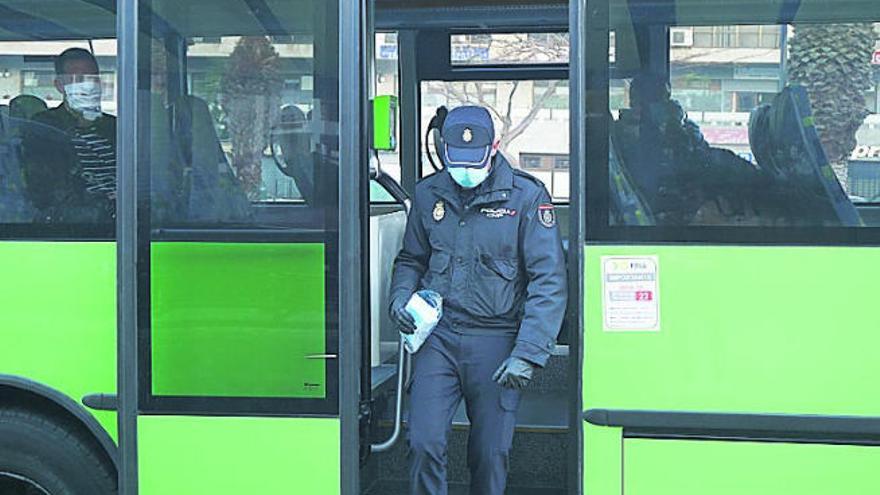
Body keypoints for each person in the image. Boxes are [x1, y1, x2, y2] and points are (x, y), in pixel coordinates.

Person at [389, 105, 567, 495]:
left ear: (495, 146)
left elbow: (548, 280)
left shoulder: (526, 197)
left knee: (489, 454)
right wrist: (401, 299)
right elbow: (411, 259)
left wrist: (529, 352)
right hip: (439, 337)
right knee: (423, 442)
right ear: (444, 149)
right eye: (457, 159)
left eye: (475, 159)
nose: (465, 169)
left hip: (498, 341)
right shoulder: (428, 193)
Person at [22, 47, 116, 223]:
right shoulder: (45, 127)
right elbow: (49, 190)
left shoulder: (115, 126)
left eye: (92, 78)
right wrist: (100, 209)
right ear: (59, 85)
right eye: (78, 79)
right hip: (78, 226)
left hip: (124, 219)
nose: (87, 84)